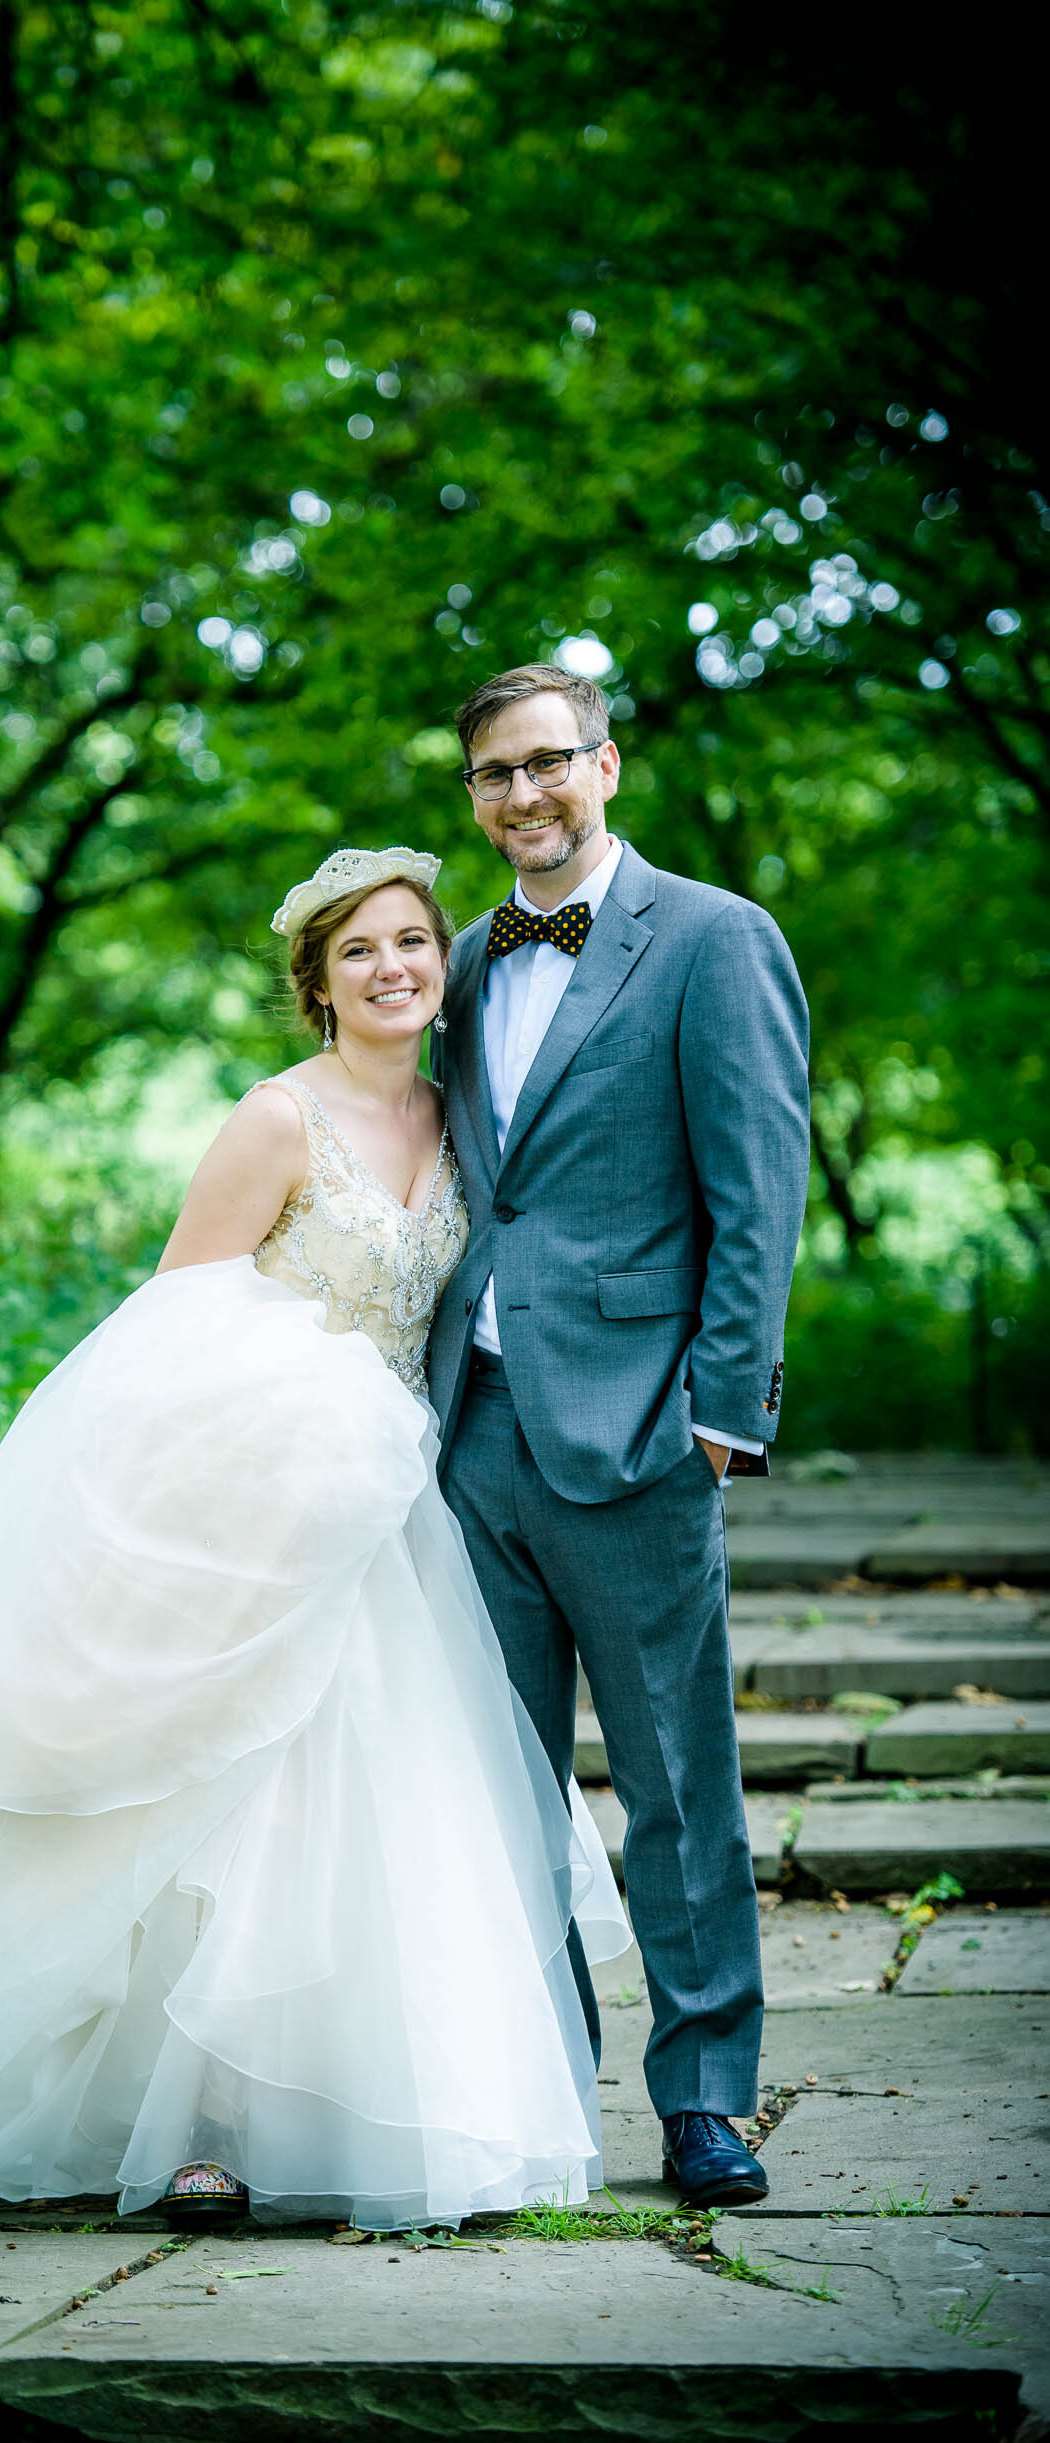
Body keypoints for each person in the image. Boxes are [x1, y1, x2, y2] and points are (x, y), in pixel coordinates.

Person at [0, 850, 629, 2231]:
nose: (393, 968)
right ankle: (200, 2130)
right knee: (220, 1800)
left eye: (414, 942)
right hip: (257, 1498)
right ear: (316, 984)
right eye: (358, 952)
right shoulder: (273, 1121)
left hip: (398, 1509)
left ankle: (352, 2110)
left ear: (445, 962)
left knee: (367, 1812)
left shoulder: (464, 1116)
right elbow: (176, 1322)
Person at [428, 663, 810, 2208]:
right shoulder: (450, 959)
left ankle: (705, 2096)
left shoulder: (714, 939)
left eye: (545, 765)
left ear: (606, 767)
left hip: (642, 1435)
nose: (521, 796)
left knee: (674, 1783)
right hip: (471, 1436)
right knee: (499, 1786)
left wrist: (722, 1416)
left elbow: (756, 1184)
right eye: (491, 777)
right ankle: (535, 2095)